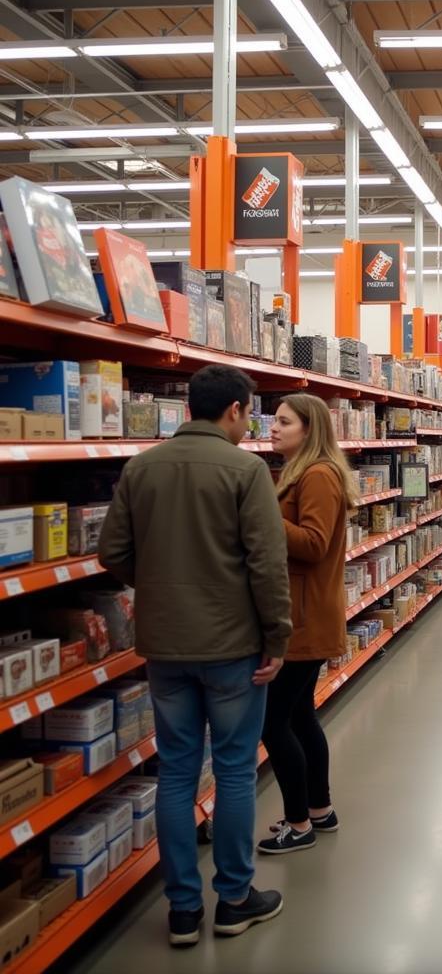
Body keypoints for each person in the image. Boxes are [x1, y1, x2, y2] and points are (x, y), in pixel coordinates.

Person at [98, 364, 291, 947]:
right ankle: (234, 899)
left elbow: (113, 552)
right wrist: (277, 637)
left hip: (165, 648)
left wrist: (157, 584)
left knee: (177, 772)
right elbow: (266, 563)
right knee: (234, 770)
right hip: (234, 646)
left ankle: (183, 910)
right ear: (234, 410)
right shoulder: (246, 469)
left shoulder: (141, 467)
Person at [257, 394, 358, 855]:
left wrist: (258, 516)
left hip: (302, 617)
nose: (273, 427)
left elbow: (314, 544)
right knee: (299, 717)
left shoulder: (317, 475)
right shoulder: (300, 472)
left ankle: (299, 824)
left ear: (309, 428)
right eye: (273, 420)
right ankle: (321, 809)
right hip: (307, 612)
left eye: (284, 421)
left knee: (274, 723)